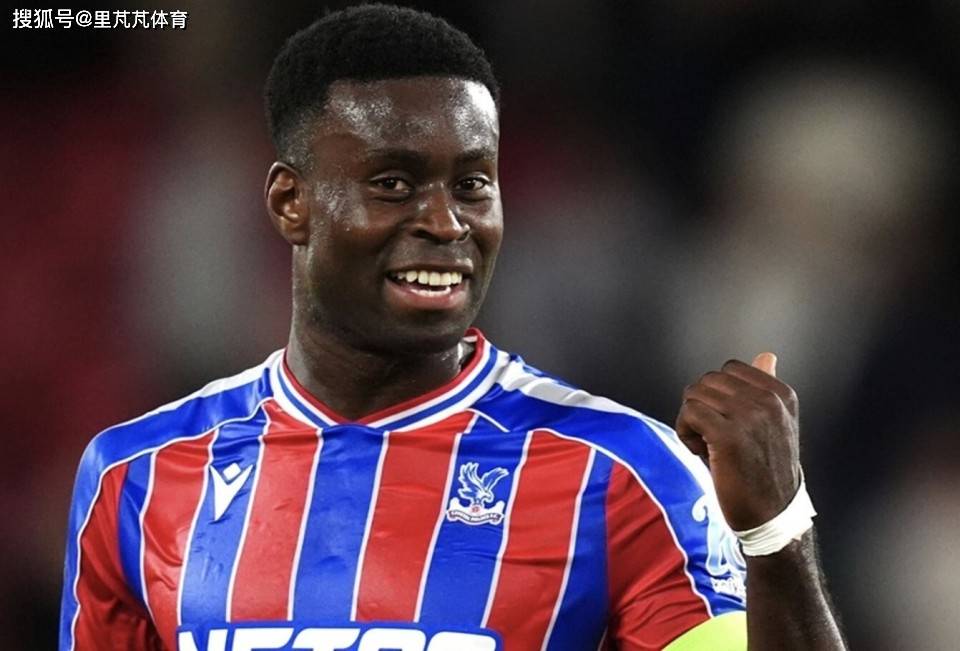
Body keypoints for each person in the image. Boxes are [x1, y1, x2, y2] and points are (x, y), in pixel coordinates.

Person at [59, 5, 846, 650]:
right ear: (290, 203)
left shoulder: (621, 474)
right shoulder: (139, 476)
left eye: (472, 184)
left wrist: (777, 532)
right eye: (393, 183)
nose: (445, 222)